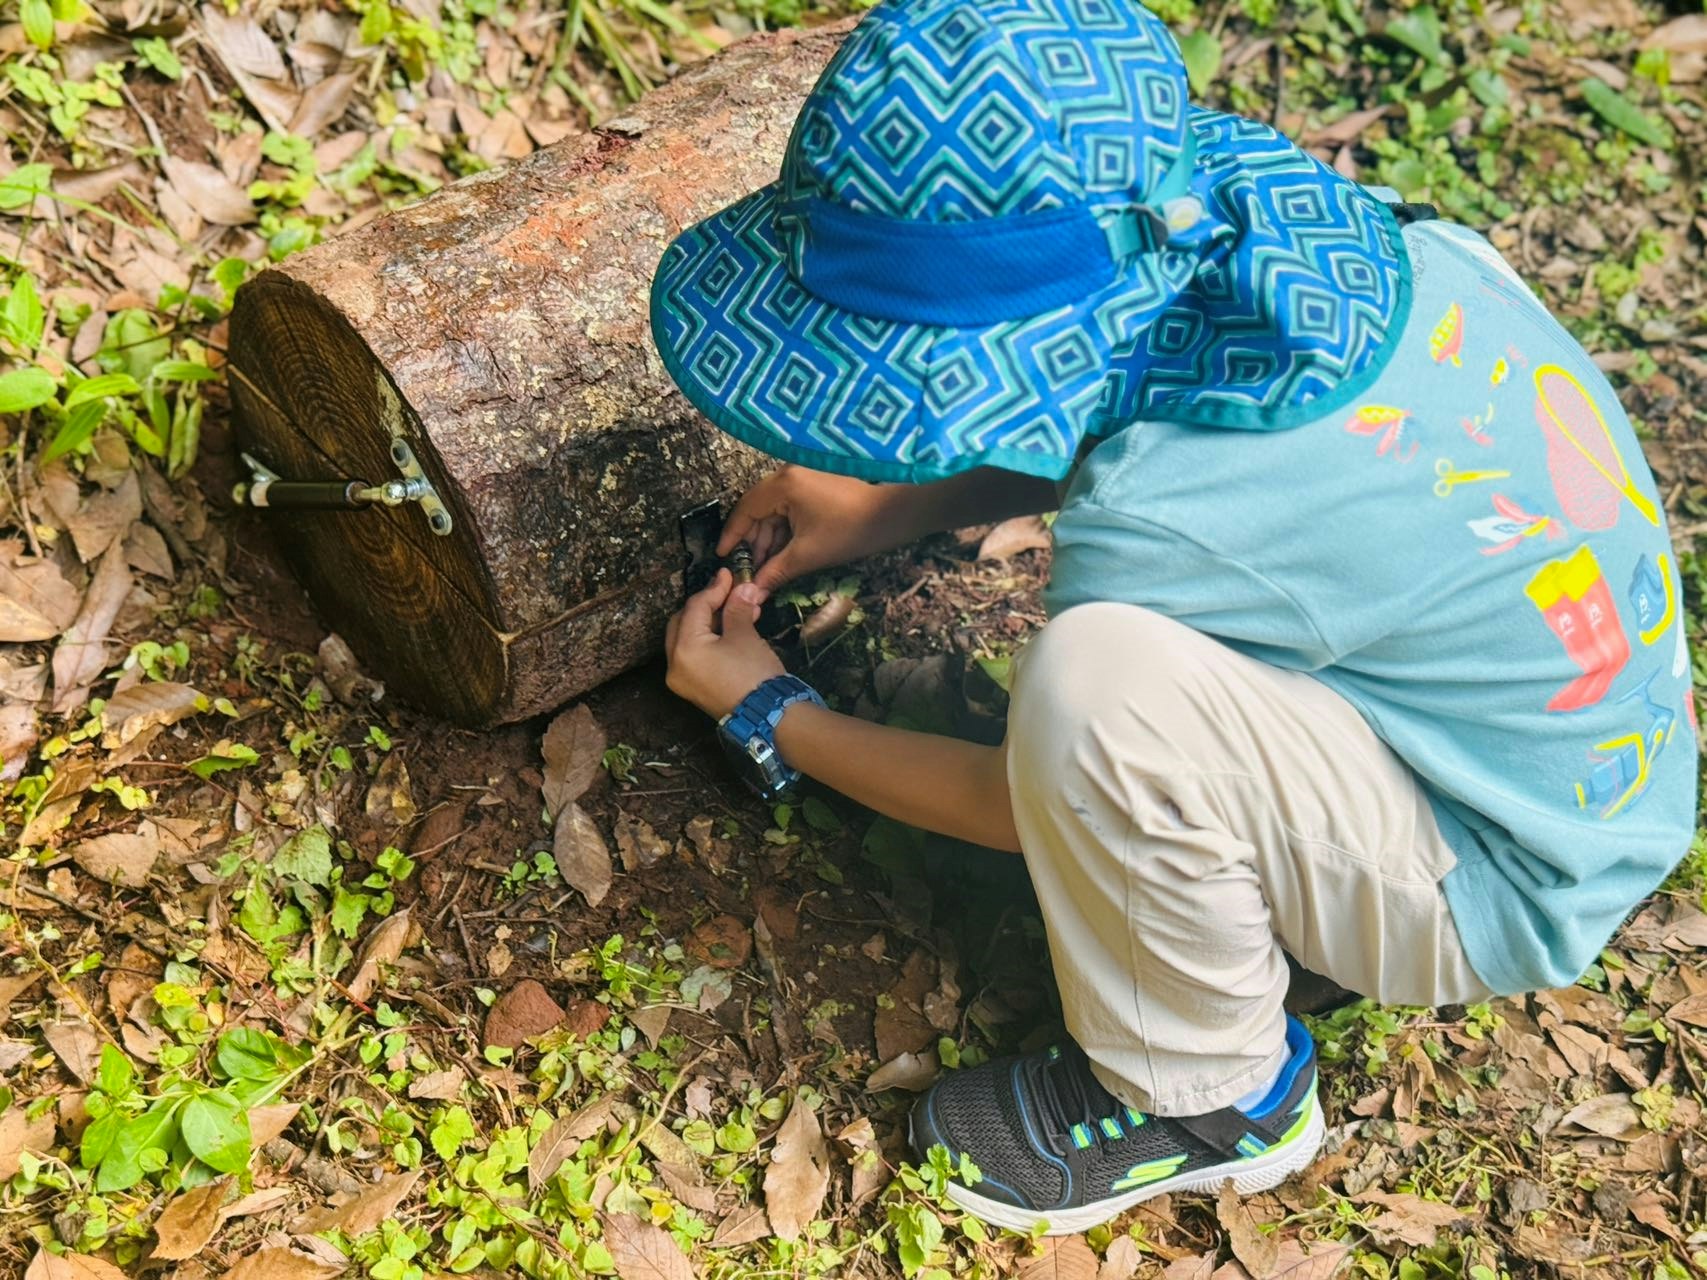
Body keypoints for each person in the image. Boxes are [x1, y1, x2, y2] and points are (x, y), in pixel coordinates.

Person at [650, 0, 1699, 1237]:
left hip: (1502, 872)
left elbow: (1031, 792)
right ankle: (1268, 899)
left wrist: (777, 710)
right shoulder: (1305, 251)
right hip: (1568, 759)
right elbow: (1144, 412)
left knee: (1101, 691)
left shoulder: (1167, 518)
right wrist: (873, 511)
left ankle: (1211, 1097)